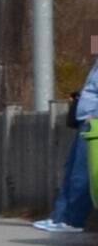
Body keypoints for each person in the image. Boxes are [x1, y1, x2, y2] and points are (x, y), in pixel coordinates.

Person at [34, 61, 97, 233]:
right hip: (87, 119)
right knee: (72, 170)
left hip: (94, 121)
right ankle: (60, 217)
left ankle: (73, 220)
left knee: (82, 174)